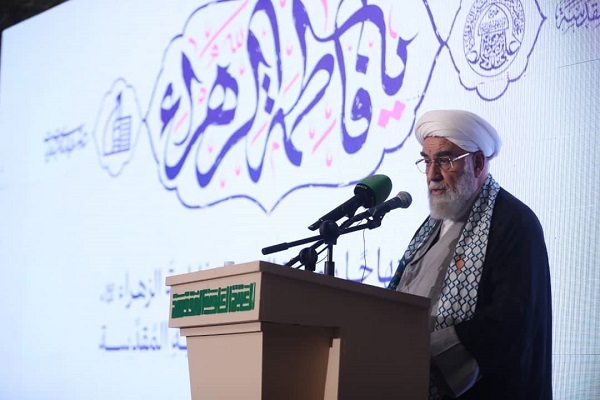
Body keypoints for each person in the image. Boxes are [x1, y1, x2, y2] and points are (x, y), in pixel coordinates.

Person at [387, 110, 552, 399]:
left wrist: (428, 351)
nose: (432, 175)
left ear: (477, 163)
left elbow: (509, 322)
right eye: (427, 161)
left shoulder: (514, 223)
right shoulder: (432, 226)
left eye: (444, 160)